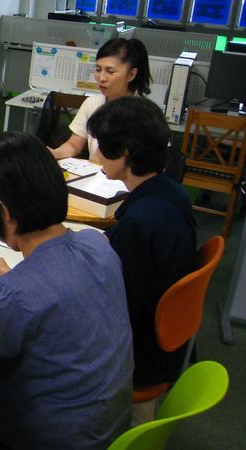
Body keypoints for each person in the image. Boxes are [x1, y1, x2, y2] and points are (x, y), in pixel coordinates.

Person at [0, 132, 133, 448]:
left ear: (5, 212)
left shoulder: (12, 299)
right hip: (114, 429)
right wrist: (20, 280)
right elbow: (55, 289)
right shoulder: (98, 244)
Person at [87, 96, 197, 393]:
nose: (96, 154)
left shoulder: (138, 224)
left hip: (140, 351)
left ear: (124, 152)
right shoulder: (173, 193)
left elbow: (114, 303)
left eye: (101, 146)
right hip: (167, 337)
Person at [50, 37, 151, 162]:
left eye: (110, 71)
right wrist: (55, 153)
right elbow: (74, 144)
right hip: (95, 178)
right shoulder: (92, 104)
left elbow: (153, 162)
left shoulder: (146, 114)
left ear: (131, 75)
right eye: (98, 69)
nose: (101, 78)